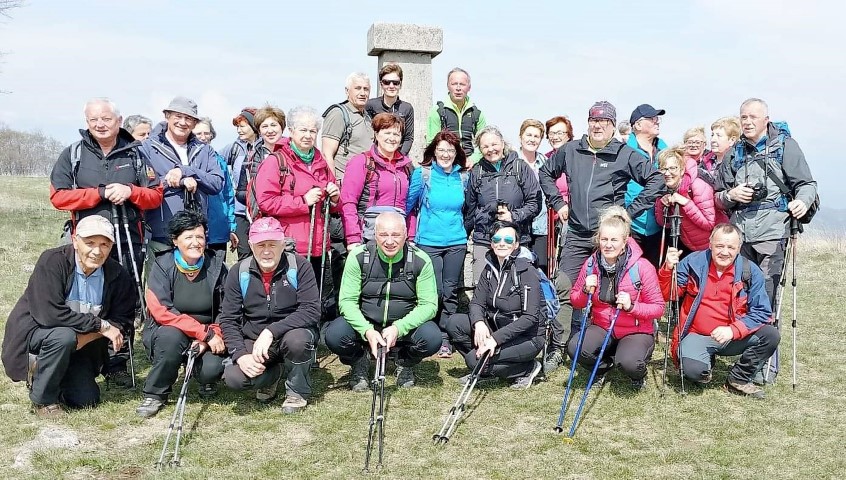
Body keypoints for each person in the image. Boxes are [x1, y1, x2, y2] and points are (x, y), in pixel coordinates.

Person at [539, 100, 662, 374]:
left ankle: (620, 343)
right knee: (565, 288)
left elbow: (656, 180)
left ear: (612, 125)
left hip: (608, 239)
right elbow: (546, 173)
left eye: (604, 121)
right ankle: (561, 346)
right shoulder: (571, 150)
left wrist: (629, 213)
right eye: (594, 120)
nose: (598, 125)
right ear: (588, 123)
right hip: (576, 234)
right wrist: (558, 202)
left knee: (614, 292)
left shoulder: (624, 154)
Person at [50, 97, 162, 386]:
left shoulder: (136, 154)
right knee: (84, 296)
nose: (100, 124)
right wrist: (97, 194)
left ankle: (118, 361)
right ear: (86, 122)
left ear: (119, 121)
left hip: (127, 240)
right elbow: (58, 196)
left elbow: (155, 195)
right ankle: (80, 355)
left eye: (106, 119)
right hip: (86, 243)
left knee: (123, 299)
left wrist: (131, 192)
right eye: (93, 120)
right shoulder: (73, 154)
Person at [714, 99, 817, 384]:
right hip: (740, 236)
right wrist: (731, 195)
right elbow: (718, 196)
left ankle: (764, 365)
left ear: (766, 119)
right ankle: (747, 354)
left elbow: (806, 184)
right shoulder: (734, 153)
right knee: (741, 296)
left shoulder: (785, 146)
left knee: (766, 298)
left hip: (773, 233)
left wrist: (801, 202)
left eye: (753, 117)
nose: (747, 122)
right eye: (743, 117)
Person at [2, 215, 135, 417]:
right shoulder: (52, 261)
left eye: (104, 244)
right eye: (90, 243)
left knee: (86, 400)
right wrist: (100, 325)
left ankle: (54, 376)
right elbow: (49, 314)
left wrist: (87, 336)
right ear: (75, 240)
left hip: (80, 345)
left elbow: (122, 319)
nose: (97, 251)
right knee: (63, 337)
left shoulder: (117, 274)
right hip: (38, 335)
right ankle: (43, 400)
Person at [660, 223, 779, 398]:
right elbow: (669, 295)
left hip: (733, 337)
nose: (724, 252)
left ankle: (738, 379)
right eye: (719, 246)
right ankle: (705, 362)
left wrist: (733, 330)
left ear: (739, 248)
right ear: (710, 244)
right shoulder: (693, 262)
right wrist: (667, 269)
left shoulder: (751, 271)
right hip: (696, 334)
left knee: (771, 335)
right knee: (693, 372)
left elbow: (762, 312)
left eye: (731, 247)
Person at [325, 212, 440, 391]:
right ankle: (359, 360)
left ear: (406, 235)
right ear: (375, 235)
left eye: (396, 235)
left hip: (403, 325)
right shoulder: (358, 256)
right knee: (335, 335)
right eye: (383, 234)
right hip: (367, 323)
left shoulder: (421, 260)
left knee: (432, 338)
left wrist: (399, 328)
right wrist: (367, 331)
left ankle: (404, 361)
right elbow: (347, 301)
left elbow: (429, 305)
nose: (389, 241)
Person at [218, 217, 320, 414]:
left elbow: (311, 310)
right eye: (261, 245)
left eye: (272, 244)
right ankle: (274, 374)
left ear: (282, 244)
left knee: (297, 341)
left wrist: (271, 331)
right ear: (251, 245)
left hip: (293, 332)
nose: (266, 251)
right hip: (255, 339)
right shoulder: (238, 272)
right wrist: (240, 355)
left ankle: (297, 391)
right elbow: (229, 318)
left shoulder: (300, 266)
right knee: (234, 378)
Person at [137, 211, 228, 418]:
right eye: (188, 237)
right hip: (170, 329)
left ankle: (203, 377)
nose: (196, 242)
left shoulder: (217, 266)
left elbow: (227, 309)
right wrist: (203, 333)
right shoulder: (162, 265)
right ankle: (155, 393)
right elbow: (161, 310)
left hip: (208, 333)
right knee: (170, 338)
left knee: (211, 369)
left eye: (200, 237)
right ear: (175, 240)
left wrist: (210, 336)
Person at [255, 106, 340, 319]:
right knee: (289, 301)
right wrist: (303, 202)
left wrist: (335, 197)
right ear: (291, 131)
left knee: (314, 299)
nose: (308, 135)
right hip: (290, 244)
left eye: (312, 131)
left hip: (318, 245)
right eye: (303, 130)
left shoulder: (321, 162)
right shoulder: (276, 161)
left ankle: (311, 331)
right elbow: (265, 201)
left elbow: (335, 205)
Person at [568, 207, 664, 390]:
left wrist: (632, 306)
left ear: (624, 242)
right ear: (598, 239)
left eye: (614, 240)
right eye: (604, 239)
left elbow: (659, 308)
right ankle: (603, 367)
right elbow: (575, 300)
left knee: (629, 362)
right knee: (575, 348)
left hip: (636, 330)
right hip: (602, 326)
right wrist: (585, 291)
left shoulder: (642, 267)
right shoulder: (591, 264)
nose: (608, 245)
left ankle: (637, 374)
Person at [446, 221, 544, 389]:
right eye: (497, 239)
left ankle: (527, 368)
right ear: (491, 243)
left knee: (472, 360)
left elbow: (530, 318)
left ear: (516, 244)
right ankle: (485, 369)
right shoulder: (490, 268)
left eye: (508, 240)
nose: (502, 243)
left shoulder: (526, 270)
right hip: (497, 327)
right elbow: (476, 303)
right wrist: (479, 323)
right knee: (454, 323)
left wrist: (495, 339)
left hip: (527, 337)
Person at [406, 130, 469, 358]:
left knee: (450, 291)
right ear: (433, 151)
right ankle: (428, 333)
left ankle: (446, 337)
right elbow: (408, 207)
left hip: (456, 242)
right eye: (441, 150)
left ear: (456, 153)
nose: (445, 154)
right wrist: (409, 237)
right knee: (435, 291)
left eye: (450, 150)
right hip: (428, 242)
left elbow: (468, 208)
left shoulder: (463, 177)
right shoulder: (423, 174)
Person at [140, 96, 224, 260]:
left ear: (194, 123)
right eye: (178, 116)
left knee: (195, 277)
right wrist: (178, 181)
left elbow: (216, 183)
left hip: (195, 236)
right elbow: (144, 186)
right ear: (167, 116)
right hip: (161, 235)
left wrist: (187, 171)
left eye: (188, 118)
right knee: (159, 277)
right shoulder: (148, 147)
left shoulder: (204, 150)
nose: (182, 122)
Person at [464, 125, 541, 284]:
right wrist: (464, 234)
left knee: (517, 286)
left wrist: (514, 216)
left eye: (494, 144)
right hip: (485, 240)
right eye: (485, 146)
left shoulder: (520, 167)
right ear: (480, 149)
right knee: (482, 287)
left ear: (503, 143)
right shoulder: (477, 172)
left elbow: (535, 202)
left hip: (516, 239)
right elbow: (470, 209)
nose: (491, 149)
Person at [340, 113, 415, 249]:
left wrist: (411, 237)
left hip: (398, 239)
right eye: (387, 133)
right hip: (368, 237)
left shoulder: (407, 166)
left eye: (396, 134)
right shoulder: (361, 162)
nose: (392, 138)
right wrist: (353, 239)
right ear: (376, 134)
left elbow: (410, 207)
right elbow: (348, 202)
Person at [655, 146, 727, 254]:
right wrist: (662, 204)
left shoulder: (698, 186)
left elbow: (709, 223)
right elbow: (664, 224)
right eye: (663, 169)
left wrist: (686, 203)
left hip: (714, 246)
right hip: (690, 247)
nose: (667, 173)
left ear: (682, 170)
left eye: (672, 168)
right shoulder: (666, 189)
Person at [625, 104, 669, 267]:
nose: (657, 121)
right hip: (631, 224)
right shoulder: (624, 151)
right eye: (651, 119)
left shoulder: (665, 150)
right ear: (637, 125)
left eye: (657, 118)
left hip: (659, 224)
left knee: (655, 272)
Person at [234, 105, 287, 225]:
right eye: (264, 126)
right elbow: (241, 192)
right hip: (261, 220)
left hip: (288, 216)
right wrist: (260, 198)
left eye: (273, 125)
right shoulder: (251, 156)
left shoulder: (293, 154)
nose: (270, 130)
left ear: (282, 127)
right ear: (259, 130)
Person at [192, 117, 237, 256]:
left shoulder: (220, 161)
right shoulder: (188, 160)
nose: (203, 137)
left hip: (218, 226)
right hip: (195, 227)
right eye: (198, 133)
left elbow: (228, 193)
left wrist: (231, 226)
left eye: (206, 133)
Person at [221, 107, 260, 260]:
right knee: (244, 255)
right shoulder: (234, 147)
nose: (239, 130)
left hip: (261, 210)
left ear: (254, 126)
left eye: (242, 126)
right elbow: (214, 161)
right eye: (237, 126)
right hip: (240, 211)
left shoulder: (266, 146)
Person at [426, 67, 487, 163]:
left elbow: (484, 143)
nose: (458, 88)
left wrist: (472, 160)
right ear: (448, 86)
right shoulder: (438, 111)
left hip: (471, 163)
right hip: (446, 161)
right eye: (454, 84)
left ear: (469, 87)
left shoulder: (477, 113)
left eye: (462, 84)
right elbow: (432, 143)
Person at [322, 72, 374, 180]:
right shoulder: (338, 114)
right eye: (358, 88)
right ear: (347, 91)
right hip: (344, 183)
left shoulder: (368, 117)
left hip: (365, 183)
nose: (362, 93)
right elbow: (327, 154)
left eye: (366, 89)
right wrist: (333, 184)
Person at [516, 119, 550, 274]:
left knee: (540, 269)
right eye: (528, 135)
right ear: (521, 137)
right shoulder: (511, 160)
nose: (532, 139)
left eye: (536, 136)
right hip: (518, 223)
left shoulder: (545, 162)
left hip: (540, 224)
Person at [365, 63, 415, 156]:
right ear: (381, 84)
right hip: (375, 156)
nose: (391, 86)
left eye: (395, 83)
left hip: (398, 156)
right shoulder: (370, 105)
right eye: (386, 82)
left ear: (400, 84)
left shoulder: (407, 108)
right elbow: (366, 134)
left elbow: (408, 138)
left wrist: (399, 158)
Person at [706, 116, 741, 187]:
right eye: (712, 135)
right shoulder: (704, 162)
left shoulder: (738, 164)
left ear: (732, 140)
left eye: (718, 136)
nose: (713, 140)